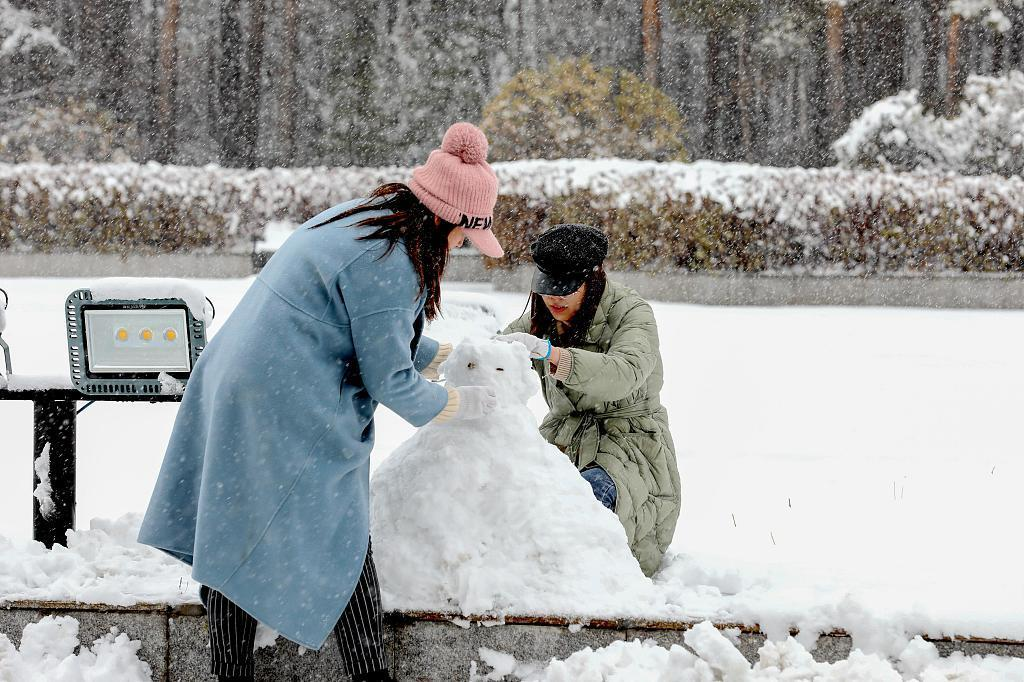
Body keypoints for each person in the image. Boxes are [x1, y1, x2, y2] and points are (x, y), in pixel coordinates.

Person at [138, 122, 502, 682]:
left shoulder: (361, 221)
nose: (461, 248)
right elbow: (391, 382)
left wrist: (445, 355)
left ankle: (233, 673)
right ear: (442, 218)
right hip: (282, 395)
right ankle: (369, 674)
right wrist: (465, 403)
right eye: (463, 236)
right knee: (343, 530)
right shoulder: (392, 264)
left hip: (243, 378)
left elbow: (371, 331)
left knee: (237, 522)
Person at [498, 224, 680, 577]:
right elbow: (495, 347)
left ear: (593, 280)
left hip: (632, 445)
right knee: (510, 492)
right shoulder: (541, 318)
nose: (555, 299)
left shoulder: (632, 313)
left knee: (585, 500)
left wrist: (554, 356)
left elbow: (625, 372)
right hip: (563, 438)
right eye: (547, 288)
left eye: (566, 289)